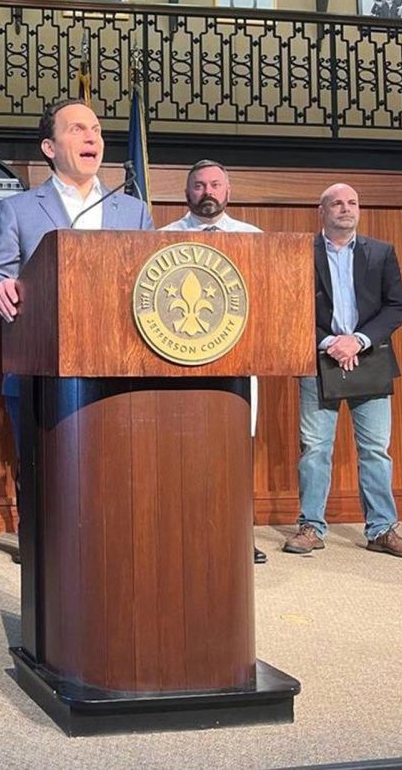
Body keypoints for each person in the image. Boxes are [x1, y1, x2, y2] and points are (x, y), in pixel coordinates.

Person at [0, 98, 152, 562]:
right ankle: (44, 555)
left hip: (120, 368)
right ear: (50, 147)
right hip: (40, 368)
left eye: (96, 129)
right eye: (77, 129)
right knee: (45, 471)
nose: (92, 137)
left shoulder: (132, 211)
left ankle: (110, 555)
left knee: (113, 473)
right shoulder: (18, 210)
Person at [282, 184, 402, 559]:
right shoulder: (301, 252)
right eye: (337, 203)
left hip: (370, 357)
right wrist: (332, 342)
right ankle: (311, 527)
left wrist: (358, 340)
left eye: (352, 203)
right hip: (319, 359)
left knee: (375, 449)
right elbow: (290, 308)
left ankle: (382, 530)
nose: (345, 209)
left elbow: (396, 306)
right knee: (315, 449)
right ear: (322, 211)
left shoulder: (381, 252)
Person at [161, 159, 266, 564]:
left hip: (238, 363)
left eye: (215, 185)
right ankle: (181, 537)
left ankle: (238, 538)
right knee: (180, 456)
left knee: (234, 456)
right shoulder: (161, 239)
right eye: (200, 185)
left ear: (228, 191)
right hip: (177, 365)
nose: (208, 192)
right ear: (187, 192)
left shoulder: (254, 239)